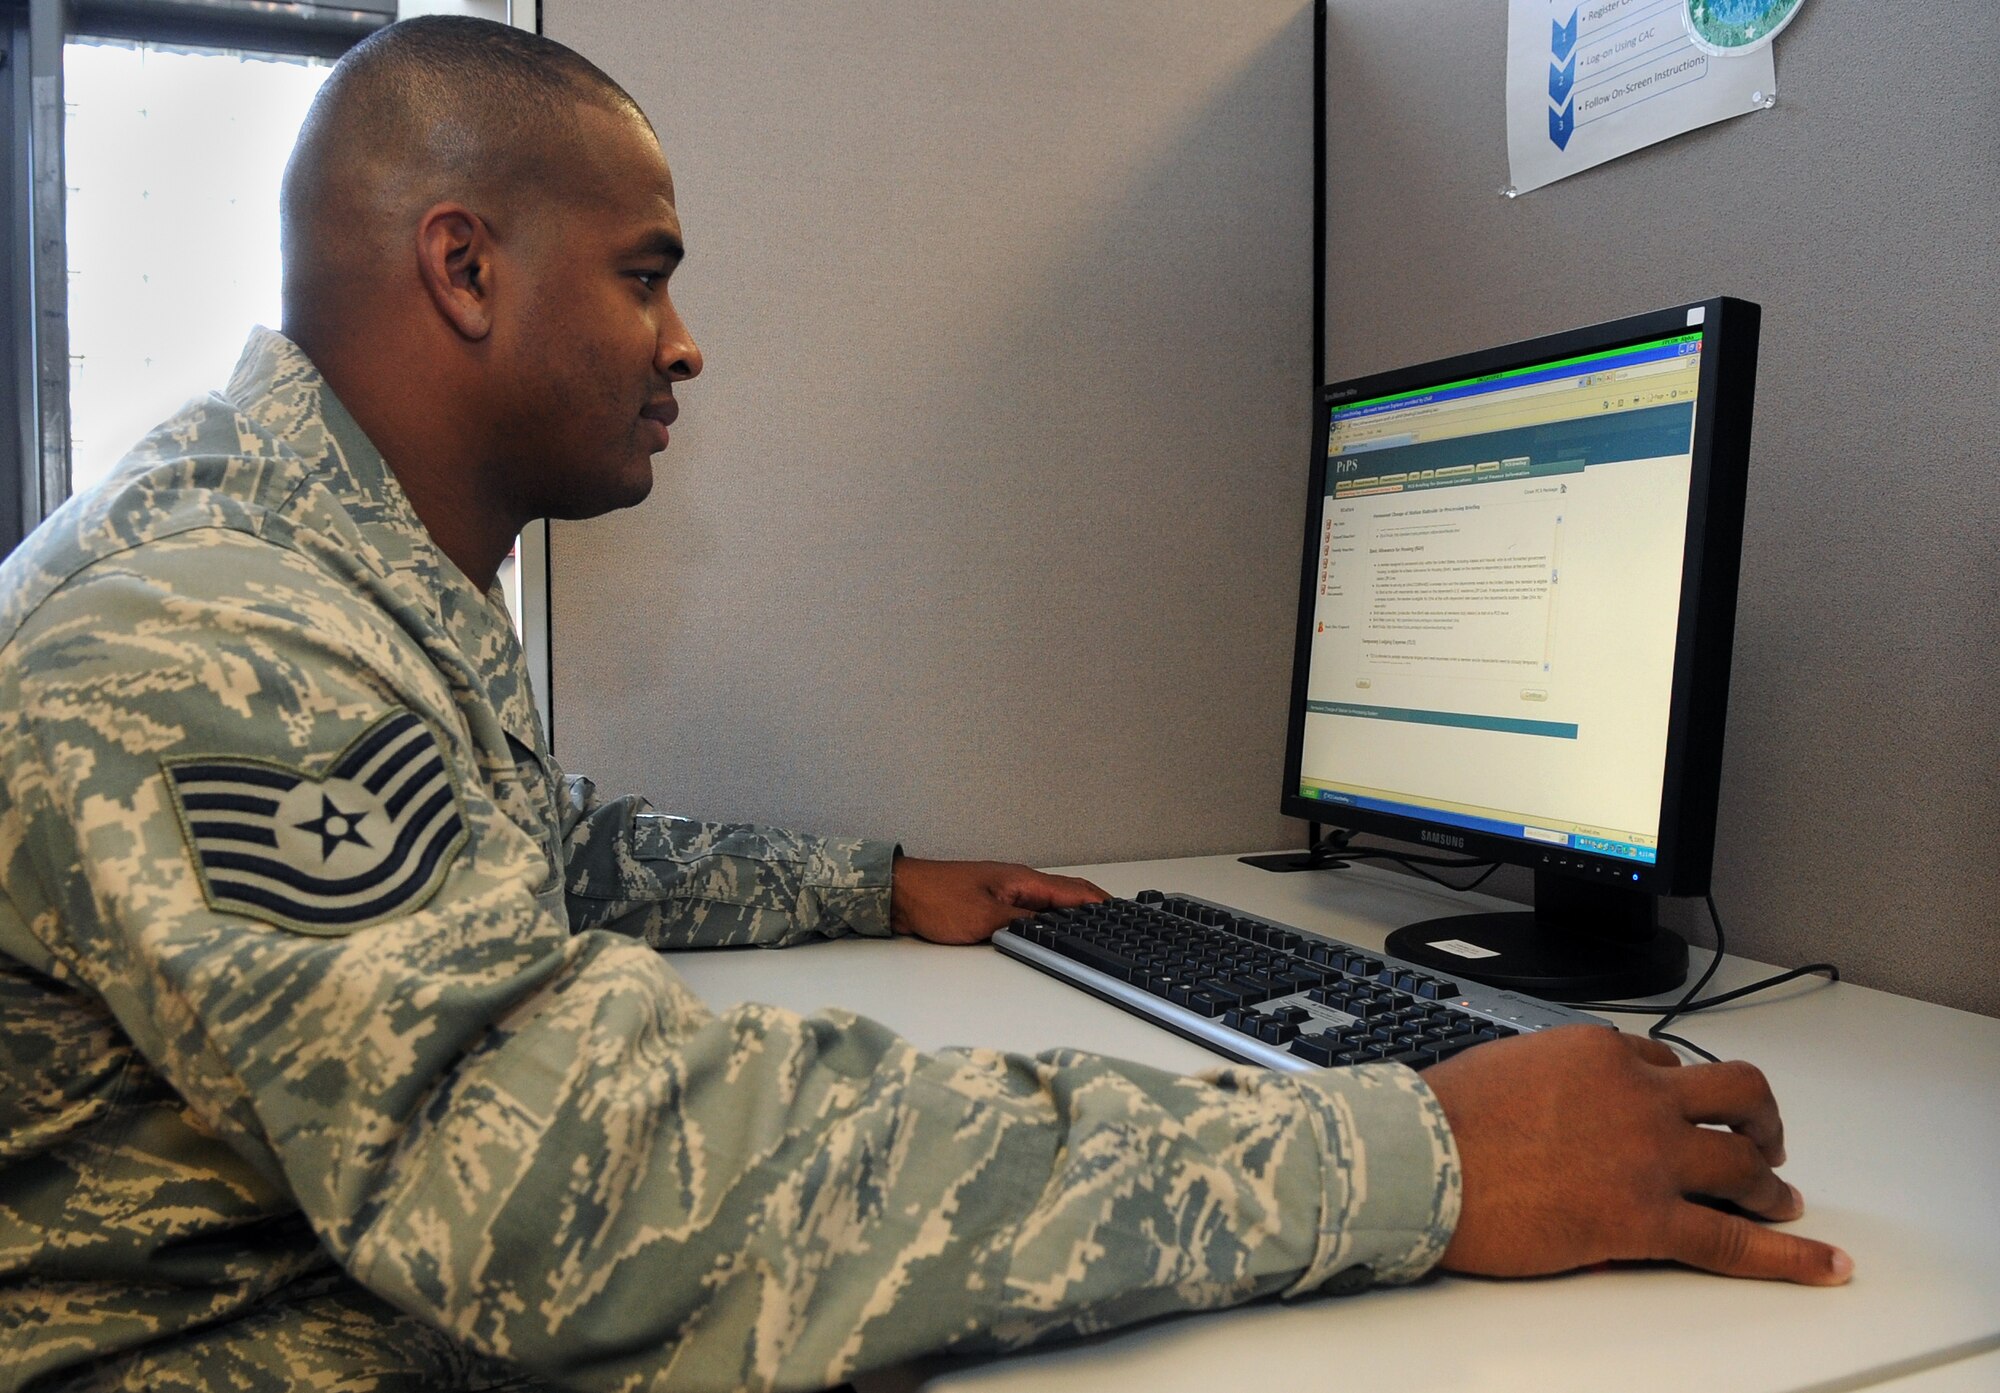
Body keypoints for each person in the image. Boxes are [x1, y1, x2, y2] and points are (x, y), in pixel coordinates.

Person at [0, 17, 1850, 1393]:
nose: (686, 339)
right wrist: (1428, 1154)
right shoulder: (210, 627)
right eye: (648, 275)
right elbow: (582, 1176)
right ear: (464, 266)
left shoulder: (331, 553)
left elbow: (530, 853)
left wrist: (871, 880)